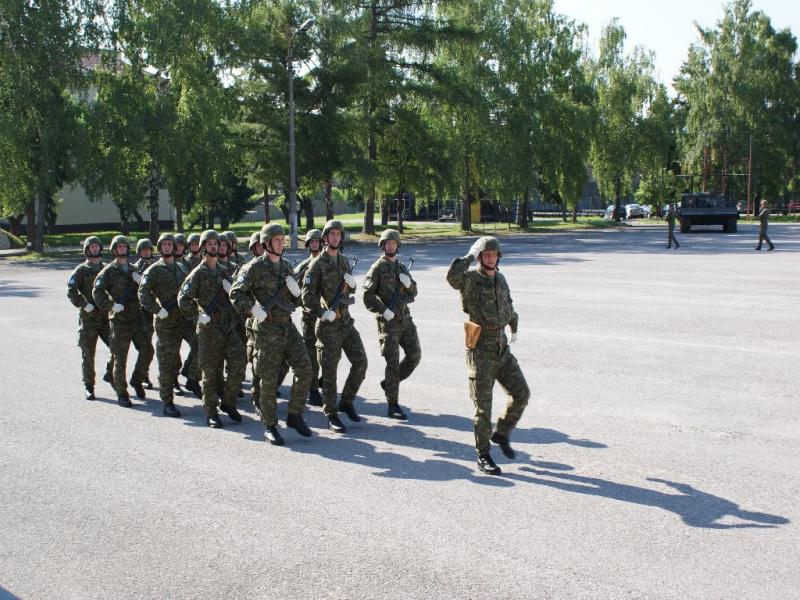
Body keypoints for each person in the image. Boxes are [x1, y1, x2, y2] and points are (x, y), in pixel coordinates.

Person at [446, 236, 530, 475]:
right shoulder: (470, 279)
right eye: (486, 254)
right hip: (481, 350)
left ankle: (502, 432)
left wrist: (513, 325)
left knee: (521, 393)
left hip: (501, 348)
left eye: (494, 254)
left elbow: (508, 304)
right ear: (481, 257)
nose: (491, 258)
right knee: (483, 408)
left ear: (498, 257)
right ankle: (483, 454)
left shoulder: (500, 279)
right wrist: (469, 256)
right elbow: (452, 278)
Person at [230, 224, 313, 445]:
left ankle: (294, 414)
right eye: (276, 240)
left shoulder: (286, 267)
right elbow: (235, 293)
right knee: (268, 379)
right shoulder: (253, 268)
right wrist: (252, 309)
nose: (281, 243)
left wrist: (296, 293)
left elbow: (296, 301)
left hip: (287, 326)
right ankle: (270, 425)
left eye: (282, 239)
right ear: (266, 243)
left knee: (305, 368)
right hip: (266, 330)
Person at [301, 219, 367, 433]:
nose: (336, 237)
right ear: (325, 237)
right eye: (332, 234)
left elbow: (348, 290)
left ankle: (346, 401)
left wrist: (353, 285)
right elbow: (306, 296)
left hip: (346, 322)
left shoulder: (344, 261)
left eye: (339, 234)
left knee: (361, 362)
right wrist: (322, 313)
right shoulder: (317, 264)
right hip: (328, 325)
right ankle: (331, 413)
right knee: (330, 372)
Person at [177, 230, 246, 428]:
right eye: (210, 244)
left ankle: (228, 402)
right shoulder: (198, 273)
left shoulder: (226, 270)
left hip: (228, 327)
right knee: (210, 373)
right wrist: (197, 316)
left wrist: (231, 289)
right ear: (203, 247)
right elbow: (183, 299)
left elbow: (239, 293)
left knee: (239, 362)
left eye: (216, 243)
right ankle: (211, 412)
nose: (214, 246)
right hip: (209, 329)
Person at [362, 229, 421, 419]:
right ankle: (392, 404)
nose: (390, 246)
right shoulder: (377, 268)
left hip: (405, 320)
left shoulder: (402, 267)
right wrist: (382, 310)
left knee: (415, 356)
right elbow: (367, 296)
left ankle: (389, 383)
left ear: (397, 246)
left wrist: (409, 284)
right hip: (388, 323)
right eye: (387, 243)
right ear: (382, 245)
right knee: (393, 363)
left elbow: (414, 292)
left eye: (393, 243)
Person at [92, 235, 155, 407]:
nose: (122, 249)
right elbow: (97, 291)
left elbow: (147, 290)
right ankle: (122, 393)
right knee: (120, 359)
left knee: (148, 350)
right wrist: (111, 305)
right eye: (119, 247)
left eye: (124, 247)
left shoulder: (135, 269)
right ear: (114, 250)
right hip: (119, 320)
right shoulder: (108, 271)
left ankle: (137, 379)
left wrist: (141, 282)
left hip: (137, 318)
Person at [138, 233, 189, 418]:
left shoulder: (181, 268)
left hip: (183, 319)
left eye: (170, 244)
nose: (167, 247)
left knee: (201, 345)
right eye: (164, 245)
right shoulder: (153, 270)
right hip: (165, 321)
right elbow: (143, 293)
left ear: (174, 247)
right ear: (160, 248)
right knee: (167, 362)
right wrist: (157, 309)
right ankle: (167, 402)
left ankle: (190, 375)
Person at [67, 236, 114, 400]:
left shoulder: (106, 268)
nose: (94, 249)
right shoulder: (81, 270)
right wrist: (83, 304)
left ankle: (110, 374)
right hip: (88, 319)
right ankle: (89, 386)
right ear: (87, 250)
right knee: (88, 355)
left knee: (117, 348)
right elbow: (71, 290)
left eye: (96, 246)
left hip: (105, 318)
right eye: (91, 247)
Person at [294, 228, 323, 406]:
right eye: (311, 241)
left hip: (327, 316)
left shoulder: (329, 262)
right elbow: (294, 293)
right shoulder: (303, 267)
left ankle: (323, 380)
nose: (314, 244)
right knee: (311, 354)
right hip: (309, 317)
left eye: (317, 241)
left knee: (329, 353)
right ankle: (313, 390)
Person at [133, 238, 156, 389]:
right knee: (144, 347)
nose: (146, 252)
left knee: (148, 346)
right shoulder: (134, 268)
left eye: (148, 250)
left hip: (150, 312)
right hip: (137, 312)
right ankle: (144, 376)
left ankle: (143, 375)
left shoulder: (156, 267)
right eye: (143, 250)